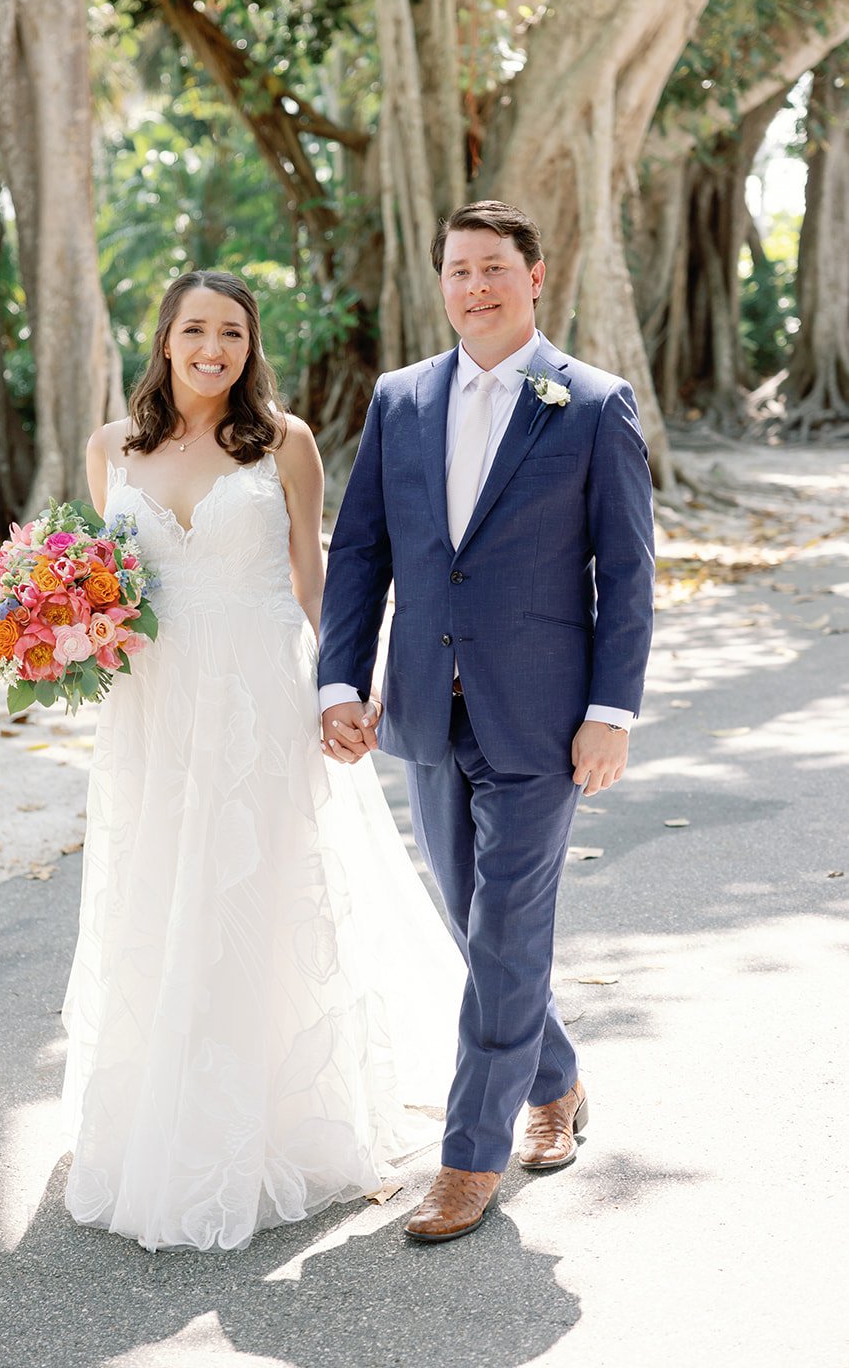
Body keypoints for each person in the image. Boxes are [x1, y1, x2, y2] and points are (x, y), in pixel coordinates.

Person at [60, 269, 462, 1252]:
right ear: (163, 339)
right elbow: (104, 585)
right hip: (154, 707)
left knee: (254, 892)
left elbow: (313, 575)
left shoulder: (284, 442)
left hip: (256, 695)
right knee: (160, 892)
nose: (212, 348)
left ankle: (268, 1118)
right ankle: (166, 1111)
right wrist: (62, 629)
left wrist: (345, 685)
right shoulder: (109, 448)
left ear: (249, 345)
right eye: (194, 329)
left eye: (230, 333)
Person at [319, 200, 655, 1244]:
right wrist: (338, 682)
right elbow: (362, 552)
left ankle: (470, 1156)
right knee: (474, 926)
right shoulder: (399, 399)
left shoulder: (591, 405)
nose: (475, 286)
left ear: (535, 276)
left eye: (494, 268)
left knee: (506, 927)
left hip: (545, 722)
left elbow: (628, 576)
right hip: (422, 707)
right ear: (441, 284)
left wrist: (610, 712)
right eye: (458, 270)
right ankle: (555, 1077)